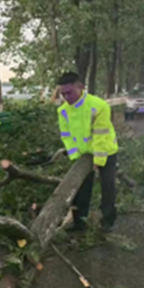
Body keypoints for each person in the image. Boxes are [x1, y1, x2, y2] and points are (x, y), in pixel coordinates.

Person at [56, 72, 119, 233]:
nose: (66, 97)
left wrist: (98, 161)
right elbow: (66, 135)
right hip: (83, 155)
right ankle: (79, 222)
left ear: (81, 87)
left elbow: (101, 135)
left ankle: (108, 220)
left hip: (106, 151)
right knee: (81, 187)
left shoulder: (98, 106)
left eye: (69, 92)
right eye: (63, 94)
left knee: (107, 186)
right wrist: (75, 155)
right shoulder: (63, 110)